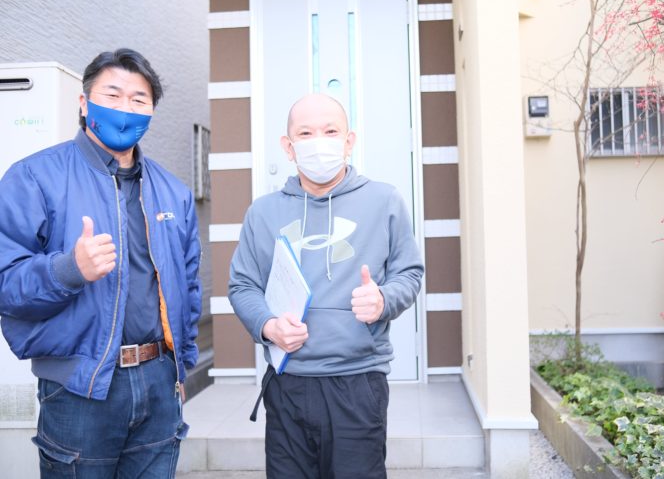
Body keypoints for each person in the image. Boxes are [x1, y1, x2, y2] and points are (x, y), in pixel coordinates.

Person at [0, 48, 202, 477]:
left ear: (151, 111)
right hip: (79, 387)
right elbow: (5, 284)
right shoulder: (34, 177)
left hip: (160, 380)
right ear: (84, 103)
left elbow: (187, 287)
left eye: (138, 99)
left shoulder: (174, 192)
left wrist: (181, 368)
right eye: (112, 95)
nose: (125, 108)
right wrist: (68, 270)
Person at [228, 93, 424, 478]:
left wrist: (383, 299)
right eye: (305, 133)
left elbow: (410, 273)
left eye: (330, 131)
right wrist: (268, 325)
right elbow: (242, 285)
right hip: (289, 382)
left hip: (358, 382)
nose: (319, 141)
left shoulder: (384, 200)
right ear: (288, 147)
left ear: (349, 141)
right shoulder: (263, 212)